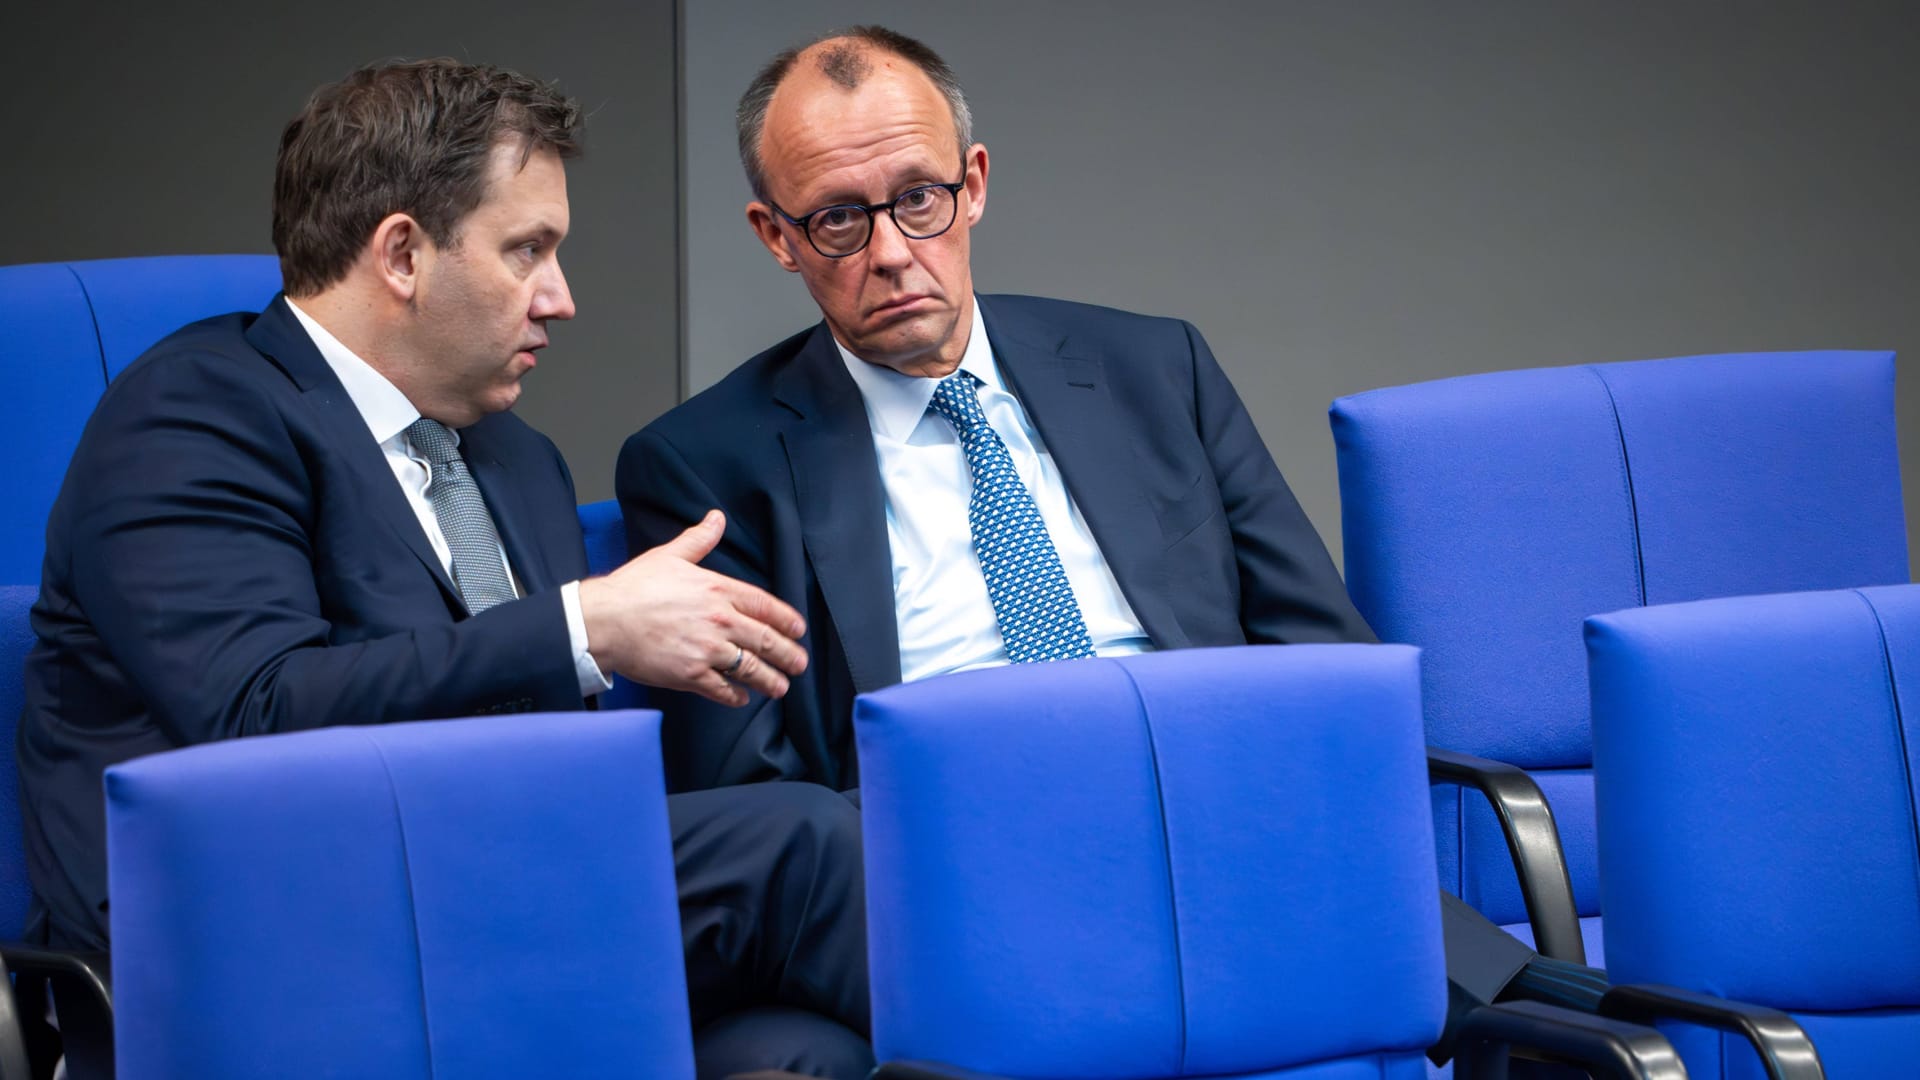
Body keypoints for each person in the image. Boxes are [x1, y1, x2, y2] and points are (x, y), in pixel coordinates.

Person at [617, 26, 1609, 1064]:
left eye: (919, 197)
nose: (893, 251)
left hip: (1216, 817)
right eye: (835, 221)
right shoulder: (704, 464)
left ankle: (1537, 1016)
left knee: (1590, 1041)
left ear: (976, 183)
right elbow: (760, 816)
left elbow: (1328, 664)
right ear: (775, 235)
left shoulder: (1151, 367)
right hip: (965, 869)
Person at [19, 58, 870, 1080]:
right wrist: (583, 629)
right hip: (267, 933)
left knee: (808, 1049)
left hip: (475, 891)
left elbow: (551, 775)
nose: (561, 299)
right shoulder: (194, 416)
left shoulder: (516, 457)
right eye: (528, 251)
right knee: (803, 849)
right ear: (403, 254)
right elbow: (255, 714)